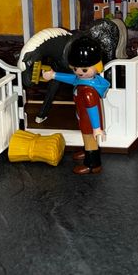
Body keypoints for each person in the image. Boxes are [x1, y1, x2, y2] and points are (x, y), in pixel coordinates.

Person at [42, 36, 109, 174]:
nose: (79, 72)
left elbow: (93, 109)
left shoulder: (88, 91)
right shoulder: (82, 80)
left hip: (89, 121)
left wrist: (97, 128)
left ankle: (92, 164)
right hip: (83, 116)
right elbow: (72, 78)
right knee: (87, 138)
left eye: (84, 70)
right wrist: (54, 75)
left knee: (89, 139)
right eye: (75, 68)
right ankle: (87, 151)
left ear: (97, 67)